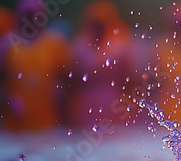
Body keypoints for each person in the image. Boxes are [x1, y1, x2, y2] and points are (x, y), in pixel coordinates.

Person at [1, 0, 71, 131]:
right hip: (15, 127)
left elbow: (69, 80)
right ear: (18, 15)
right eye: (27, 14)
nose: (31, 18)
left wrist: (60, 90)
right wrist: (8, 100)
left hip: (48, 124)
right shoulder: (6, 44)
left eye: (35, 14)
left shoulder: (54, 43)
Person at [67, 0, 133, 128]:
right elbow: (72, 81)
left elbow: (129, 77)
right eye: (96, 23)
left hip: (113, 101)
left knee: (115, 137)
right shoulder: (80, 46)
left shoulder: (120, 45)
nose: (99, 27)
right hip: (87, 103)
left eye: (102, 23)